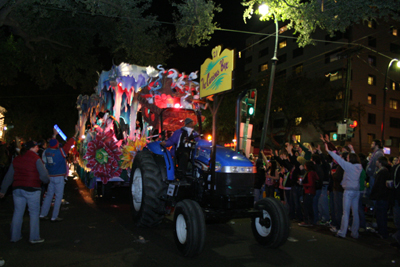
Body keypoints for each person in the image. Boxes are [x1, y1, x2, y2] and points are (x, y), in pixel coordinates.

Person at [0, 140, 49, 244]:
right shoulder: (36, 159)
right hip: (32, 188)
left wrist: (3, 190)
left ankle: (15, 236)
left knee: (18, 212)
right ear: (31, 148)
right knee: (34, 213)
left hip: (17, 189)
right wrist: (44, 181)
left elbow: (9, 176)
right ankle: (34, 237)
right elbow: (44, 176)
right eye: (36, 147)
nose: (37, 148)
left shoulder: (17, 159)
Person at [40, 126, 78, 222]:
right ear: (57, 145)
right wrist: (75, 135)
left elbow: (52, 144)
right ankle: (54, 216)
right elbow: (68, 145)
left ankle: (43, 214)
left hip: (50, 176)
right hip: (59, 177)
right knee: (58, 197)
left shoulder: (47, 151)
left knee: (49, 195)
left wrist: (54, 135)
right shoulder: (60, 152)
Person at [326, 143, 362, 239]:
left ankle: (342, 232)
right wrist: (352, 149)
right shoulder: (359, 167)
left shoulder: (348, 166)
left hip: (348, 191)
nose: (347, 159)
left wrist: (328, 151)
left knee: (345, 213)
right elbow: (355, 158)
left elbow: (338, 159)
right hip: (356, 191)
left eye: (348, 157)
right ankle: (355, 233)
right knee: (355, 213)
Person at [370, 156, 391, 239]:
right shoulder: (385, 171)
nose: (376, 162)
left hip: (381, 197)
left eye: (377, 161)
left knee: (381, 215)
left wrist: (374, 194)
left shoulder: (382, 172)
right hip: (383, 197)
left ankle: (382, 232)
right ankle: (382, 231)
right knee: (382, 215)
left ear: (380, 162)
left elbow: (379, 186)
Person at [298, 160, 317, 227]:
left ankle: (307, 221)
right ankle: (310, 220)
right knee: (308, 206)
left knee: (306, 206)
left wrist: (303, 184)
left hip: (308, 191)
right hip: (310, 191)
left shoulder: (310, 173)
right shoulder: (312, 173)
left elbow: (310, 183)